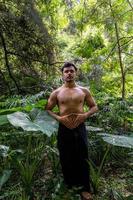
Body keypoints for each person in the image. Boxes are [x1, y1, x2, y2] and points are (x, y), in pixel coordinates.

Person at [45, 62, 98, 200]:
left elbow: (94, 107)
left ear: (76, 73)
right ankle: (70, 186)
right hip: (64, 127)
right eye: (66, 71)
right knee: (66, 157)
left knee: (83, 156)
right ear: (62, 74)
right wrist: (59, 119)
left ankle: (85, 189)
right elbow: (48, 109)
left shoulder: (83, 91)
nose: (69, 73)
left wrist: (85, 115)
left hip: (80, 127)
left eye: (71, 71)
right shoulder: (56, 92)